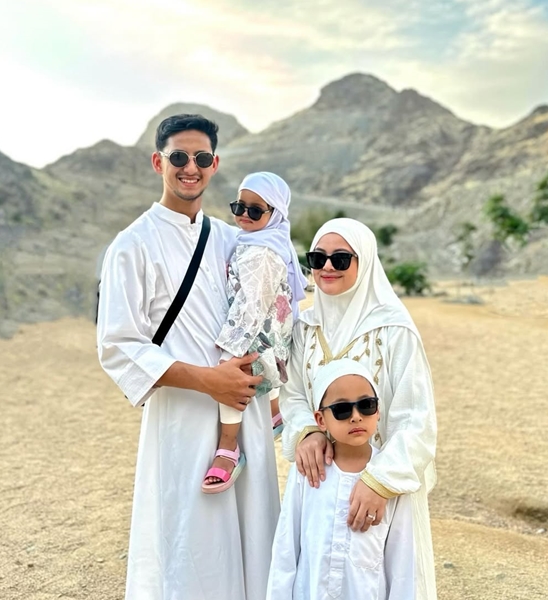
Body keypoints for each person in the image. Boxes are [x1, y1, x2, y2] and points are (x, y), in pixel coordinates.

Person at [97, 114, 278, 599]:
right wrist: (207, 380)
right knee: (193, 544)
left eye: (201, 158)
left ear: (215, 164)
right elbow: (117, 344)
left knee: (255, 535)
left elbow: (266, 302)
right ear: (159, 162)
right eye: (179, 157)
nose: (190, 168)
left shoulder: (230, 238)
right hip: (182, 416)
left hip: (244, 412)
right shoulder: (131, 245)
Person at [279, 218, 438, 599]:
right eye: (318, 258)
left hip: (383, 493)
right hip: (320, 482)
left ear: (363, 261)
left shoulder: (394, 329)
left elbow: (416, 417)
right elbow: (293, 393)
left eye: (340, 258)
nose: (328, 267)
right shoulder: (304, 325)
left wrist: (379, 481)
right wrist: (308, 431)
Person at [268, 359, 414, 600]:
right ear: (320, 419)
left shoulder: (390, 479)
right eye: (342, 410)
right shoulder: (307, 472)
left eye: (366, 405)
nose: (356, 417)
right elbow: (286, 548)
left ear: (378, 411)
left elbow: (402, 563)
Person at [204, 172, 308, 493]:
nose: (244, 216)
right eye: (239, 206)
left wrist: (230, 350)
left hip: (254, 334)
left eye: (255, 210)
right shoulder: (258, 240)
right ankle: (276, 413)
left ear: (274, 213)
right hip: (268, 336)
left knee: (231, 373)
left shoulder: (264, 252)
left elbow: (250, 306)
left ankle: (229, 447)